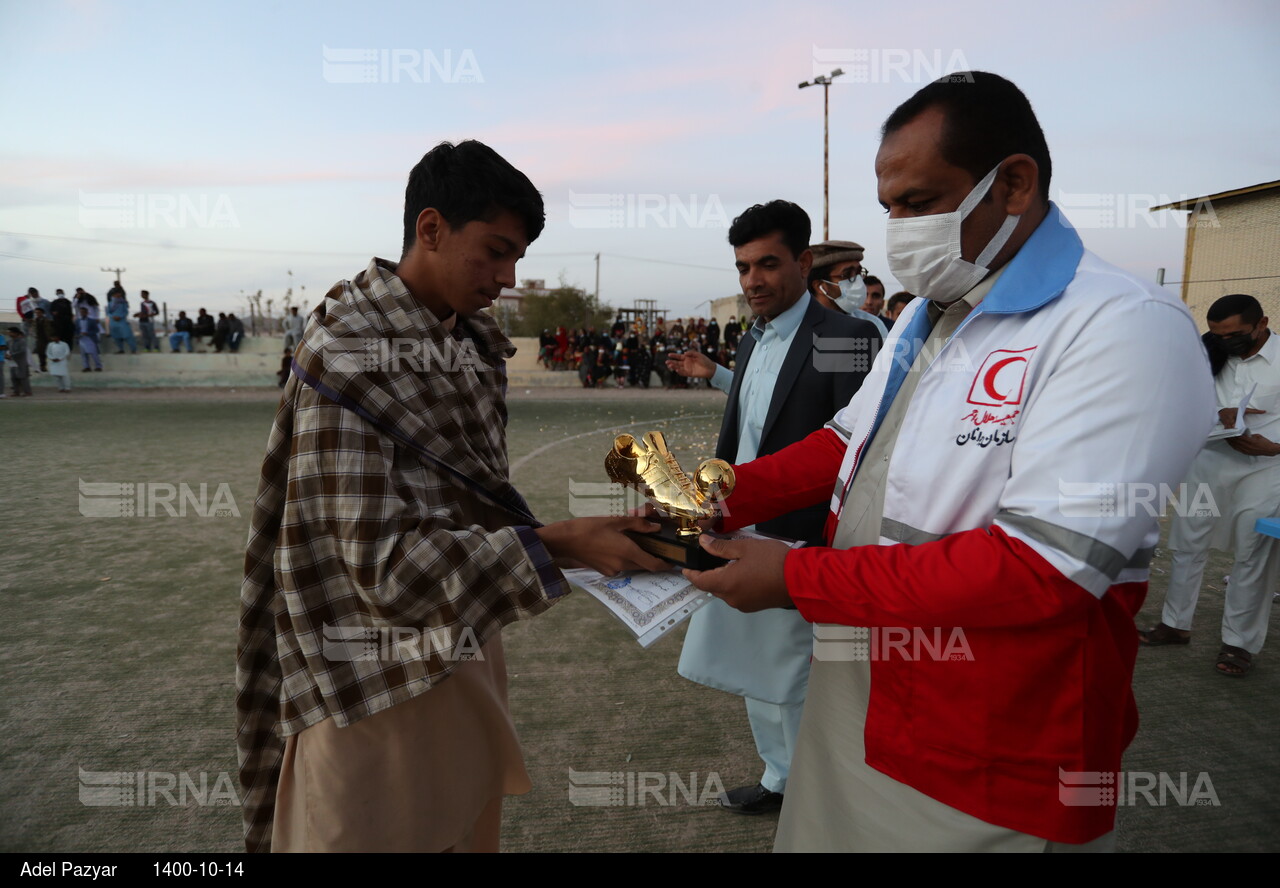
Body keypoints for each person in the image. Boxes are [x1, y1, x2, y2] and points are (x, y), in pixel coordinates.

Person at [682, 72, 1213, 852]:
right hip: (863, 677)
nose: (898, 229)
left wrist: (793, 578)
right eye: (889, 206)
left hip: (994, 736)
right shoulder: (931, 316)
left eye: (921, 203)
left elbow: (1046, 570)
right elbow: (843, 448)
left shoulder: (1122, 326)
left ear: (1014, 184)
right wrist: (710, 495)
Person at [236, 139, 665, 854]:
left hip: (465, 640)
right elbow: (384, 573)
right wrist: (559, 544)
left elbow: (475, 506)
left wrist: (597, 539)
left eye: (518, 257)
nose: (508, 277)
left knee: (465, 822)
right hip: (368, 679)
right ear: (430, 229)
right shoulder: (348, 350)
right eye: (495, 251)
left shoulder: (472, 346)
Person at [667, 201, 881, 816]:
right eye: (741, 268)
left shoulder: (846, 336)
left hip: (806, 536)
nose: (752, 280)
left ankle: (822, 789)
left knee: (803, 674)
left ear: (803, 262)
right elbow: (754, 420)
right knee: (756, 667)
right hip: (743, 520)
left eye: (766, 264)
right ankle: (779, 777)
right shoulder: (754, 336)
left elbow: (855, 446)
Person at [1139, 294, 1280, 676]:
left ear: (1262, 323)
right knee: (1188, 544)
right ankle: (1175, 625)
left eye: (1234, 335)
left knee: (1252, 554)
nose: (1224, 342)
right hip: (1208, 462)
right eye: (1218, 334)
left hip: (1264, 468)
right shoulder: (1207, 354)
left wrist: (1275, 447)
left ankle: (1238, 645)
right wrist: (1217, 414)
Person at [806, 239, 889, 340]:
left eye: (859, 272)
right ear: (820, 286)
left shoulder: (873, 325)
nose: (857, 280)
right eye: (847, 274)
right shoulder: (799, 325)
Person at [107, 290, 137, 354]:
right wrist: (113, 316)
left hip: (122, 321)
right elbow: (108, 313)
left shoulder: (123, 303)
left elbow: (126, 312)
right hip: (113, 323)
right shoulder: (110, 303)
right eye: (117, 293)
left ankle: (133, 349)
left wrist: (120, 316)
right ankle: (121, 349)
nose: (118, 295)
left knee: (128, 335)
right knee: (116, 337)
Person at [7, 327, 32, 396]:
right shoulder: (9, 341)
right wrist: (6, 355)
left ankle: (27, 392)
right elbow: (6, 349)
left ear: (16, 333)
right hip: (12, 362)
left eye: (11, 332)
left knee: (23, 377)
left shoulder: (22, 341)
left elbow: (22, 351)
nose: (9, 333)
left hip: (21, 362)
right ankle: (16, 391)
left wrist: (12, 355)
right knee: (13, 377)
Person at [32, 307, 52, 372]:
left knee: (46, 352)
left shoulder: (47, 320)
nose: (37, 314)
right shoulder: (35, 321)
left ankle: (44, 365)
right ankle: (42, 365)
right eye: (36, 313)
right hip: (39, 338)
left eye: (39, 313)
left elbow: (50, 329)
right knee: (40, 352)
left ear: (42, 313)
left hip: (46, 338)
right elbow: (33, 329)